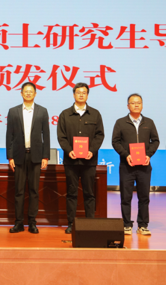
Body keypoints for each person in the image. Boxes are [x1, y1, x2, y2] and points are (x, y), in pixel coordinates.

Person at [56, 82, 105, 234]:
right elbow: (61, 136)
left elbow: (99, 135)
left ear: (87, 95)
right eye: (78, 92)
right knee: (71, 193)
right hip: (71, 161)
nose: (81, 95)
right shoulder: (65, 114)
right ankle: (71, 223)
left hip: (89, 161)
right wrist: (69, 150)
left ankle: (90, 224)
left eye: (84, 92)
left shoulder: (95, 114)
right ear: (74, 95)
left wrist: (92, 150)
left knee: (89, 193)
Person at [110, 93, 160, 236]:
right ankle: (126, 224)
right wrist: (126, 155)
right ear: (128, 106)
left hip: (144, 166)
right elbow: (115, 142)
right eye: (133, 103)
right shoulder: (121, 122)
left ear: (142, 105)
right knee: (126, 197)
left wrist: (148, 155)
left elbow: (155, 141)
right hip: (127, 166)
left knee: (144, 197)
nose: (136, 105)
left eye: (139, 102)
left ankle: (143, 225)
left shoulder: (149, 122)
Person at [5, 82, 49, 234]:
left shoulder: (42, 111)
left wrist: (45, 156)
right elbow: (9, 135)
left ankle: (32, 223)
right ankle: (18, 223)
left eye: (31, 91)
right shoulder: (13, 111)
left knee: (34, 190)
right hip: (18, 156)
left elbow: (46, 135)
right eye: (26, 91)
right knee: (19, 191)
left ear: (35, 94)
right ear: (21, 93)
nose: (28, 93)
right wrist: (10, 156)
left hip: (36, 156)